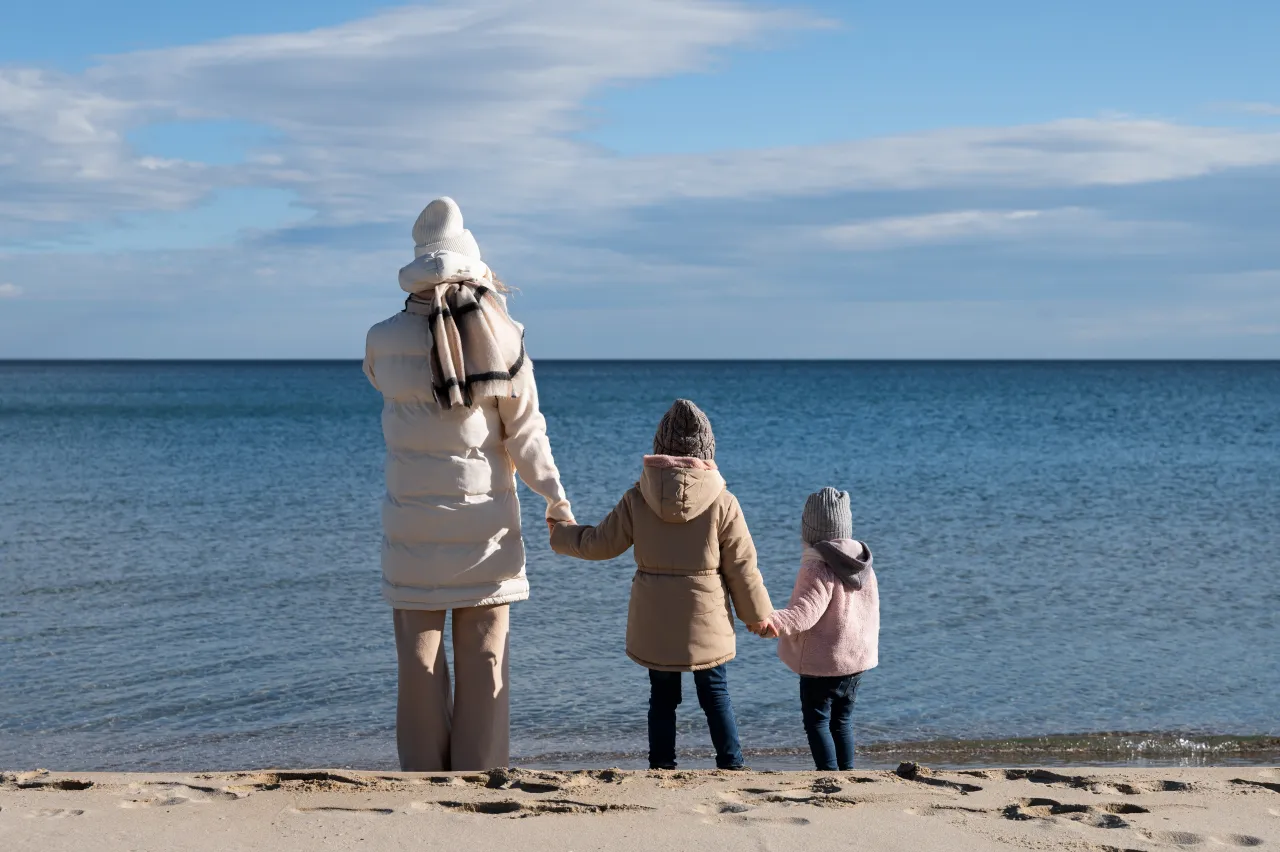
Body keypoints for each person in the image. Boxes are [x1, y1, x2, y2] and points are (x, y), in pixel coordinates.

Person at [363, 197, 574, 771]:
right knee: (485, 661)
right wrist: (555, 499)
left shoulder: (381, 339)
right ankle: (478, 779)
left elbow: (382, 381)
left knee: (419, 664)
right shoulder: (504, 337)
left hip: (410, 530)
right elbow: (526, 435)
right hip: (485, 531)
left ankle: (423, 783)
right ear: (472, 265)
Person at [548, 399, 773, 770]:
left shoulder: (638, 498)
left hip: (654, 618)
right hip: (706, 617)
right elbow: (742, 567)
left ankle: (661, 766)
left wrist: (561, 535)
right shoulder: (723, 502)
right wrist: (757, 615)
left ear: (659, 448)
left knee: (662, 698)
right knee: (715, 694)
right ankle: (731, 765)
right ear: (707, 450)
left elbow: (601, 544)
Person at [756, 488, 878, 771]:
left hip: (823, 661)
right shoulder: (862, 563)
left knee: (817, 720)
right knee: (843, 720)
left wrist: (771, 621)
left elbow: (804, 613)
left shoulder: (816, 566)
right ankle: (846, 772)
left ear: (809, 530)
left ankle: (829, 774)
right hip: (856, 657)